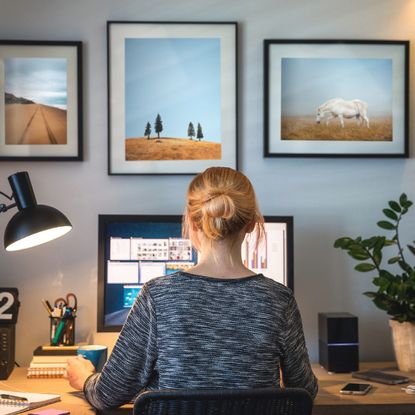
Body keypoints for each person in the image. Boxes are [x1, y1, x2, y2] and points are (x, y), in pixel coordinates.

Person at [66, 167, 318, 409]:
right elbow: (304, 390)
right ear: (251, 224)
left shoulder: (157, 295)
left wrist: (86, 378)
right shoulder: (279, 299)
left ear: (193, 223)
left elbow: (109, 394)